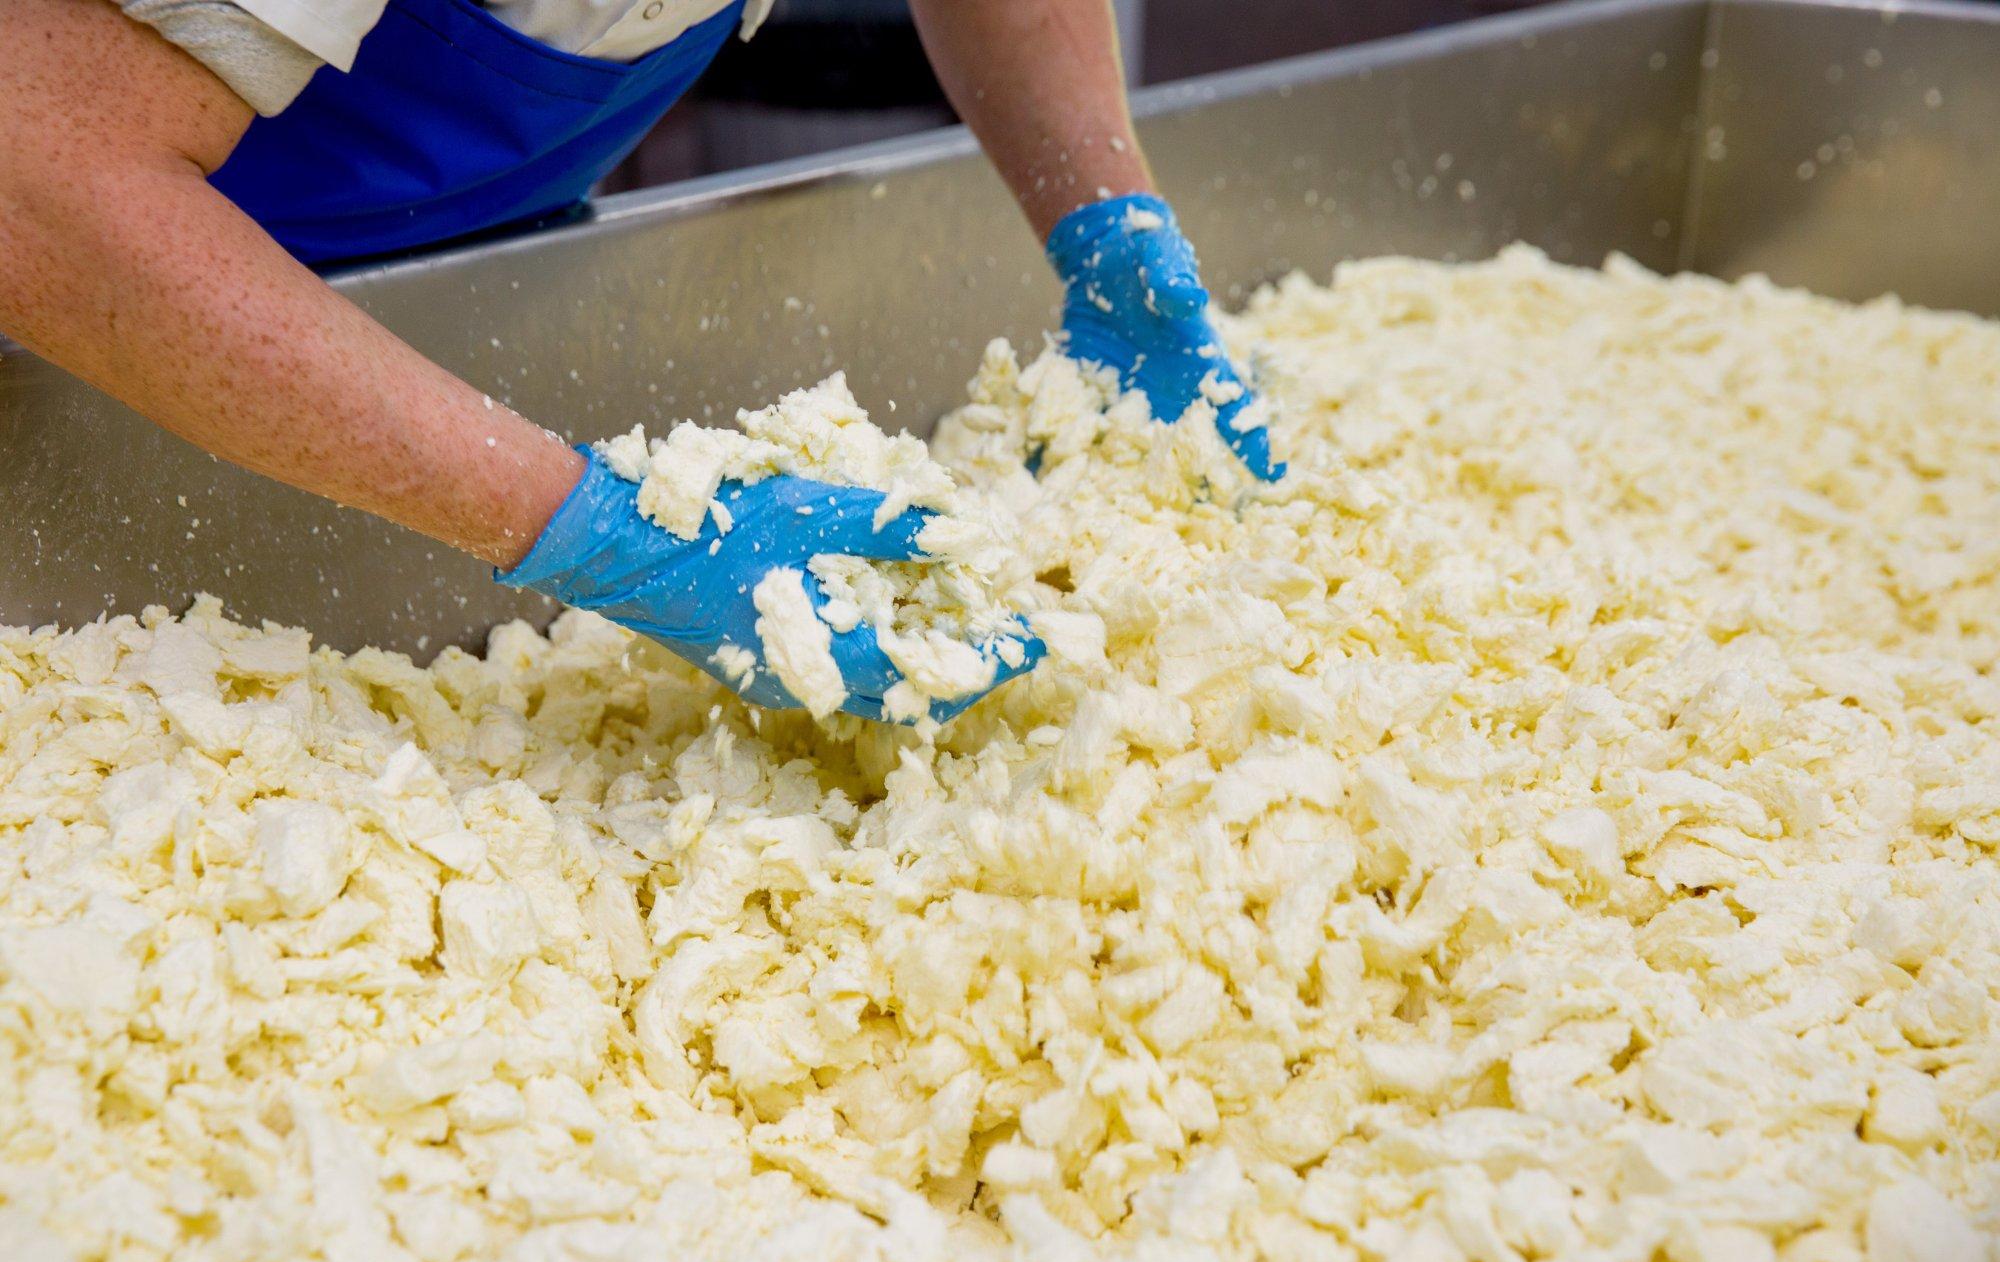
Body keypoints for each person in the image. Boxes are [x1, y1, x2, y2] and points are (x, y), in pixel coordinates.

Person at [0, 0, 1277, 722]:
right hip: (88, 337)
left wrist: (1108, 228)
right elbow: (45, 184)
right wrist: (602, 533)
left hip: (446, 279)